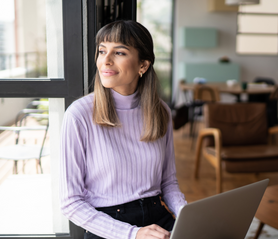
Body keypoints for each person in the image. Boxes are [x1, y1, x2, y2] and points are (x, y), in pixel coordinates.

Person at [60, 20, 187, 239]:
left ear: (143, 65)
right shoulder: (78, 115)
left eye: (119, 52)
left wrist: (188, 215)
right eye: (102, 51)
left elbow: (168, 183)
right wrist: (133, 234)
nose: (105, 61)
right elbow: (70, 202)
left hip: (159, 218)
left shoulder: (160, 112)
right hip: (108, 225)